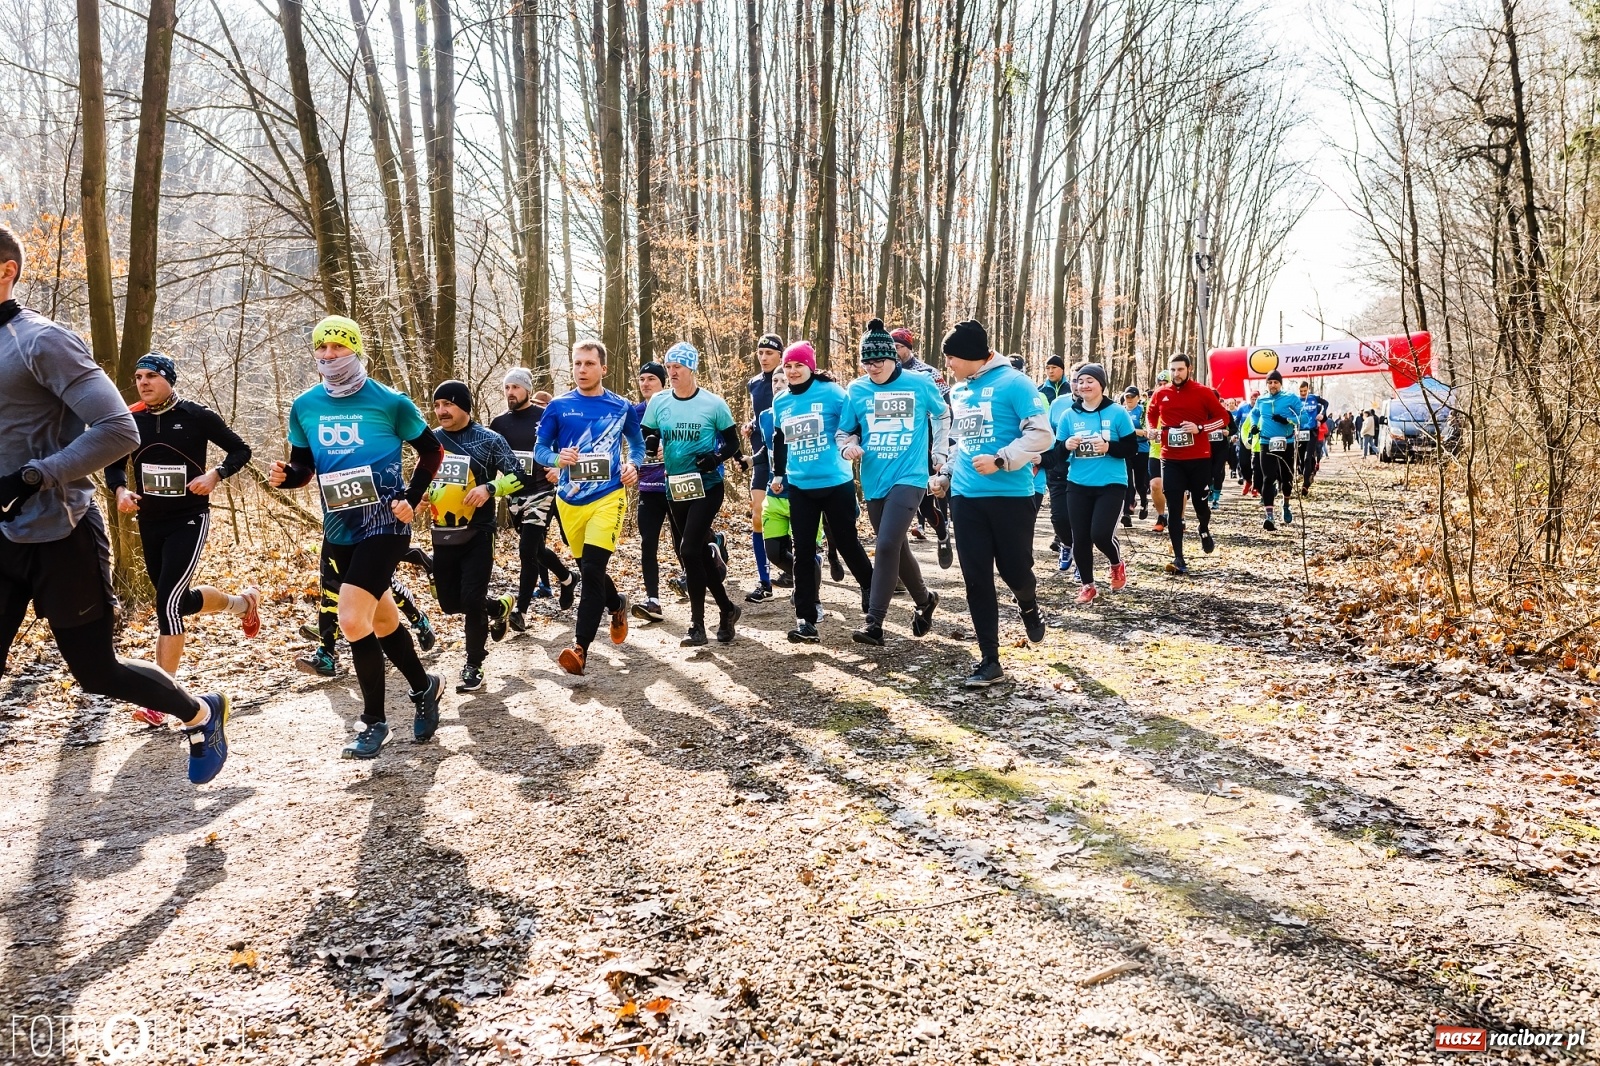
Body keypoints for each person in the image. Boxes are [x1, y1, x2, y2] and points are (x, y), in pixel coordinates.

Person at [0, 223, 231, 784]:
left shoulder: (41, 341)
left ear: (6, 271)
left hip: (62, 530)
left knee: (96, 670)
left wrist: (36, 475)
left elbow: (118, 429)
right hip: (1, 537)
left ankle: (201, 713)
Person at [269, 315, 443, 758]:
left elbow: (432, 450)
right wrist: (287, 477)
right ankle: (425, 688)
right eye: (321, 349)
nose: (328, 357)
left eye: (338, 349)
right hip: (339, 525)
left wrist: (412, 496)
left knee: (350, 620)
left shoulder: (390, 402)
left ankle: (374, 721)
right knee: (382, 620)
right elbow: (305, 468)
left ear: (356, 350)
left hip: (386, 521)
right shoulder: (304, 405)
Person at [104, 352, 259, 706]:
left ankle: (162, 700)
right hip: (150, 521)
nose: (143, 382)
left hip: (189, 518)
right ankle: (242, 604)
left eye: (151, 376)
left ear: (168, 380)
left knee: (167, 605)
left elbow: (240, 450)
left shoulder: (196, 415)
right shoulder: (131, 418)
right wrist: (120, 490)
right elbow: (114, 466)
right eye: (139, 376)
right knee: (179, 601)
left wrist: (215, 475)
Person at [935, 319, 1052, 687]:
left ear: (969, 355)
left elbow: (1042, 434)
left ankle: (1029, 606)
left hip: (1010, 497)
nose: (948, 364)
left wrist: (1002, 458)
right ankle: (990, 659)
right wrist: (947, 475)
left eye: (951, 357)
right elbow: (962, 444)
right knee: (976, 579)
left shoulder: (1015, 383)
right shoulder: (958, 393)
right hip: (966, 499)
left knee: (1015, 570)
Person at [534, 339, 645, 676]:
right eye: (577, 363)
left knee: (594, 570)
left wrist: (633, 464)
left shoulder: (620, 406)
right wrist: (556, 458)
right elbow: (540, 448)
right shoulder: (558, 406)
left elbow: (636, 444)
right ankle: (616, 604)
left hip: (609, 497)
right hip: (570, 501)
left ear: (603, 368)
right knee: (589, 569)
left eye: (589, 364)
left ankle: (580, 648)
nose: (582, 370)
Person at [837, 319, 948, 646]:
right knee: (896, 548)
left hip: (910, 476)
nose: (872, 368)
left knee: (885, 545)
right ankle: (925, 600)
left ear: (893, 357)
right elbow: (845, 429)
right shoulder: (856, 390)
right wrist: (847, 446)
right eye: (866, 362)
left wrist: (939, 452)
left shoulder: (919, 383)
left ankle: (874, 622)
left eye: (878, 361)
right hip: (874, 478)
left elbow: (942, 414)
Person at [769, 340, 875, 643]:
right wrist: (779, 473)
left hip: (835, 482)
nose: (792, 371)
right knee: (802, 551)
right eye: (788, 366)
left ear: (810, 367)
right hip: (800, 485)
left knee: (845, 542)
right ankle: (806, 618)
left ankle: (870, 588)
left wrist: (853, 445)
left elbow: (854, 424)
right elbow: (779, 439)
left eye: (798, 365)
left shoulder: (831, 393)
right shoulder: (781, 401)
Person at [642, 342, 745, 647]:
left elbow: (732, 444)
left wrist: (715, 458)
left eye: (678, 368)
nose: (671, 373)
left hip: (708, 486)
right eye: (669, 367)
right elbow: (650, 432)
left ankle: (696, 626)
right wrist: (650, 442)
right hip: (676, 486)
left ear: (692, 370)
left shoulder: (713, 404)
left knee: (688, 551)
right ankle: (727, 609)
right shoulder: (659, 402)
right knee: (695, 552)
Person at [425, 380, 525, 692]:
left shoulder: (488, 439)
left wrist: (490, 488)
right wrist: (422, 495)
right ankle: (497, 608)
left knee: (470, 599)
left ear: (464, 406)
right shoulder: (431, 440)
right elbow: (423, 478)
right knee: (449, 603)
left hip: (478, 532)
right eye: (437, 405)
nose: (441, 411)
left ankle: (473, 664)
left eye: (448, 404)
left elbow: (519, 476)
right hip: (442, 532)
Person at [490, 367, 573, 630]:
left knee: (527, 550)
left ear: (527, 389)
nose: (510, 393)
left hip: (542, 492)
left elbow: (566, 447)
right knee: (536, 550)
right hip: (514, 494)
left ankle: (521, 611)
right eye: (507, 388)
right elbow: (491, 460)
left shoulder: (545, 416)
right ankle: (568, 578)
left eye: (515, 387)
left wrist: (559, 468)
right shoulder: (499, 423)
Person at [1053, 363, 1137, 604]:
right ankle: (1087, 586)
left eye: (1090, 380)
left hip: (1111, 483)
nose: (1084, 385)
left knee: (1099, 534)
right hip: (1078, 483)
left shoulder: (1117, 413)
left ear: (1101, 384)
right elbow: (1057, 454)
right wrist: (1066, 445)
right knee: (1079, 537)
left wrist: (1109, 446)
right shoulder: (1069, 415)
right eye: (1080, 381)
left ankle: (1116, 563)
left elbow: (1131, 448)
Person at [1144, 353, 1230, 575]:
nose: (1176, 374)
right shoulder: (1161, 393)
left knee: (1201, 506)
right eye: (1172, 370)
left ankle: (1203, 527)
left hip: (1199, 459)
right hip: (1170, 458)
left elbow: (1223, 418)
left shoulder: (1203, 392)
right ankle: (1179, 557)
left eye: (1180, 369)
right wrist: (1152, 429)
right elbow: (1151, 414)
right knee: (1174, 507)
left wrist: (1200, 428)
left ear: (1189, 369)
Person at [295, 545, 434, 678]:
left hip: (371, 534)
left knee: (387, 589)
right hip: (335, 535)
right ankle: (326, 654)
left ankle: (418, 620)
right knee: (330, 593)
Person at [893, 326, 954, 569]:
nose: (895, 352)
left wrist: (942, 447)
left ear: (909, 348)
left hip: (924, 442)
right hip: (894, 446)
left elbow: (946, 408)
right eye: (892, 347)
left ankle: (942, 534)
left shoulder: (927, 373)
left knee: (925, 503)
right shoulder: (882, 375)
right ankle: (895, 565)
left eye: (899, 347)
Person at [628, 362, 672, 624]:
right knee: (648, 544)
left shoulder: (674, 407)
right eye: (642, 379)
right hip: (648, 486)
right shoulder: (634, 413)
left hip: (675, 485)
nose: (645, 383)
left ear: (663, 383)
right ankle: (653, 599)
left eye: (652, 379)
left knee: (684, 545)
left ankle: (708, 560)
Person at [744, 333, 785, 601]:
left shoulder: (791, 379)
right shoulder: (754, 384)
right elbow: (760, 417)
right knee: (758, 515)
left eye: (769, 353)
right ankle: (764, 581)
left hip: (790, 459)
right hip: (761, 457)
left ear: (780, 355)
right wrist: (750, 424)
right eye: (760, 352)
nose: (763, 357)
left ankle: (809, 564)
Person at [1252, 370, 1302, 530]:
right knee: (1268, 478)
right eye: (1270, 382)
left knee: (1287, 478)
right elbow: (1254, 414)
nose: (1272, 385)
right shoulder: (1261, 399)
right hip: (1266, 442)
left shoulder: (1291, 398)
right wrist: (1254, 426)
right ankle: (1269, 517)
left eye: (1275, 382)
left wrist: (1287, 420)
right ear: (1266, 384)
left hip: (1286, 442)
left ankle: (1286, 504)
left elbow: (1304, 417)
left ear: (1281, 384)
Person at [1141, 370, 1171, 531]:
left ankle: (1179, 518)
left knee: (1176, 488)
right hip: (1155, 450)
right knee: (1155, 485)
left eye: (1165, 383)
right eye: (1159, 384)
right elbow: (1147, 420)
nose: (1162, 387)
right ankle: (1161, 516)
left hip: (1176, 451)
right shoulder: (1151, 401)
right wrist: (1150, 431)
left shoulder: (1179, 399)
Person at [1121, 386, 1149, 528]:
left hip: (1142, 449)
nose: (1129, 400)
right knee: (1127, 481)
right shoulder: (1121, 412)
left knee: (1139, 482)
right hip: (1126, 450)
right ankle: (1127, 512)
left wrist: (1132, 431)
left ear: (1138, 398)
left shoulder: (1143, 411)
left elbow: (1146, 431)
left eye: (1132, 397)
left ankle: (1144, 501)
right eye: (1127, 397)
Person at [1295, 381, 1325, 495]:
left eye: (1305, 391)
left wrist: (1322, 415)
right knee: (1302, 459)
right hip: (1300, 432)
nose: (1303, 393)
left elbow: (1325, 404)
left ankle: (1305, 485)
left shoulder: (1313, 398)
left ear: (1308, 389)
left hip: (1312, 432)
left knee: (1308, 458)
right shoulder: (1296, 400)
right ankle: (1306, 474)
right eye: (1301, 391)